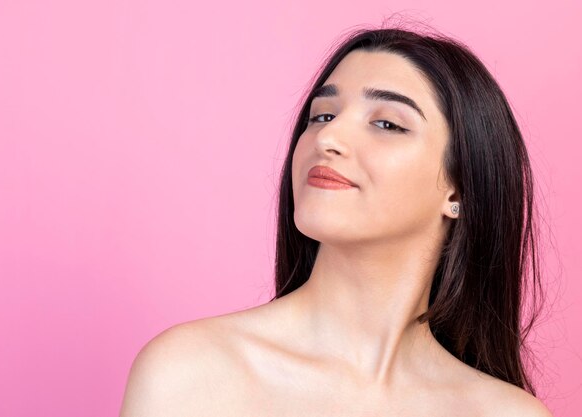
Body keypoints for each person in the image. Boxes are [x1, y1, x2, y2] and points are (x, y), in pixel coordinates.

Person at [119, 26, 553, 416]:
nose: (327, 138)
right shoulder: (190, 374)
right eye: (322, 115)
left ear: (458, 190)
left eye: (386, 123)